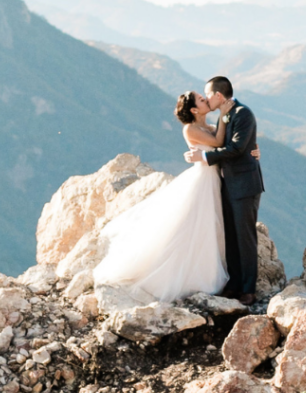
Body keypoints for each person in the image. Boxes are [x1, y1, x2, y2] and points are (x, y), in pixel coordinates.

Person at [92, 90, 234, 303]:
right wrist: (224, 114)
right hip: (203, 179)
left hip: (213, 178)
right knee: (197, 225)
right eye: (202, 100)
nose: (206, 100)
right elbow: (218, 141)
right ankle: (188, 276)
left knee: (208, 225)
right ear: (194, 110)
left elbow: (227, 143)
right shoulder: (191, 129)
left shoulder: (208, 127)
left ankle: (206, 270)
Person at [183, 76, 264, 306]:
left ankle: (248, 290)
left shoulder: (243, 113)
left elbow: (236, 148)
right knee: (230, 238)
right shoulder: (225, 115)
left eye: (207, 95)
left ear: (218, 95)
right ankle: (234, 284)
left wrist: (204, 156)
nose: (206, 99)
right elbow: (222, 140)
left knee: (245, 238)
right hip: (225, 184)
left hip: (244, 185)